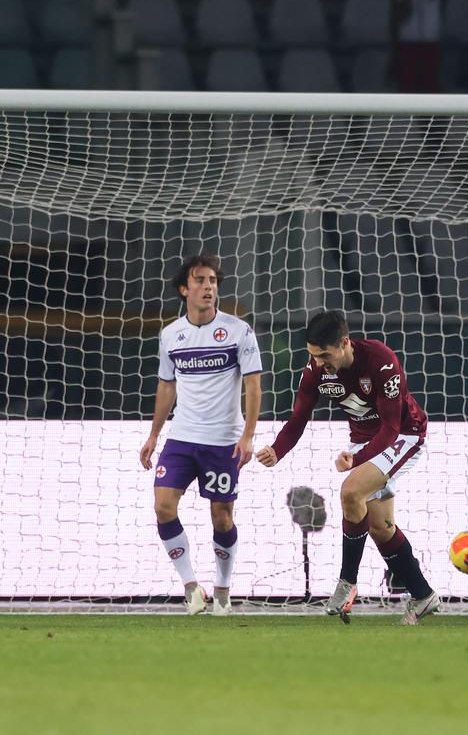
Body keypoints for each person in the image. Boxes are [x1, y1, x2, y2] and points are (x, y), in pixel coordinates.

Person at [255, 310, 438, 626]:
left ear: (344, 343)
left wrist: (358, 458)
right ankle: (423, 596)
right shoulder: (317, 370)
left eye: (325, 355)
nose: (319, 362)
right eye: (314, 355)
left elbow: (391, 427)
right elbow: (298, 418)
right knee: (381, 527)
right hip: (364, 441)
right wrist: (277, 450)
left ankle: (346, 582)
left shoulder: (381, 361)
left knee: (351, 492)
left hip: (403, 435)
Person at [139, 254, 262, 616]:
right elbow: (166, 388)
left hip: (224, 440)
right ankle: (192, 587)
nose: (209, 287)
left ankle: (222, 590)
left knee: (221, 517)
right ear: (184, 289)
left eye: (213, 281)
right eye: (200, 281)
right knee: (163, 507)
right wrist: (153, 436)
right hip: (182, 438)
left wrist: (248, 435)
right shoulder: (170, 335)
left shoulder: (239, 331)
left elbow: (253, 386)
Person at [391, 0, 463, 93]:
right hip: (408, 38)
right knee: (407, 81)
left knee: (429, 80)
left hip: (430, 38)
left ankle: (431, 116)